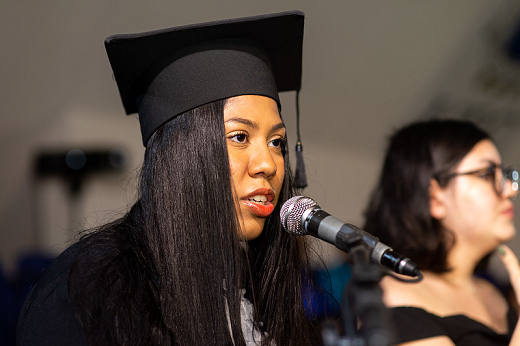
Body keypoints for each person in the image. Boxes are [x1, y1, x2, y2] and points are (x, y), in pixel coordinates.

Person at [16, 11, 323, 345]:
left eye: (276, 142)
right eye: (239, 137)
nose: (268, 164)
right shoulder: (93, 289)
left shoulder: (260, 287)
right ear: (182, 152)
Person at [363, 119, 520, 345]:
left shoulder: (491, 293)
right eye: (487, 174)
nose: (508, 190)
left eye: (504, 175)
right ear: (435, 197)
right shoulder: (395, 296)